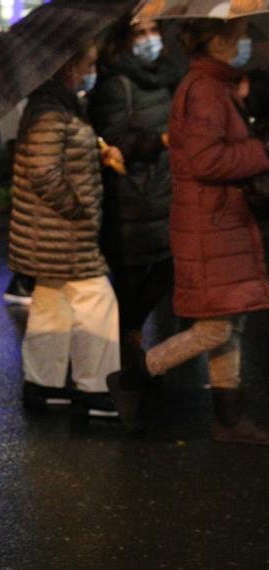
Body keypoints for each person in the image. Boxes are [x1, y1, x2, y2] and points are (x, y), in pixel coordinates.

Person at [109, 18, 269, 445]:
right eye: (239, 36)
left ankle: (229, 420)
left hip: (220, 220)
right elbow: (204, 160)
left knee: (229, 323)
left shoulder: (215, 85)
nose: (245, 43)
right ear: (216, 41)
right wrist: (259, 150)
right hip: (210, 222)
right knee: (215, 328)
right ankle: (131, 378)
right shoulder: (204, 89)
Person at [8, 42, 123, 416]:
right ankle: (97, 388)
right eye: (87, 64)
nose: (91, 71)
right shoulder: (50, 110)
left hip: (52, 233)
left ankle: (44, 385)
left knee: (52, 302)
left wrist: (96, 154)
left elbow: (57, 159)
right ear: (67, 66)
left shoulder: (57, 105)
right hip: (62, 232)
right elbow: (43, 171)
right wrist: (78, 209)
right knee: (97, 301)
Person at [90, 17, 180, 368]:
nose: (149, 39)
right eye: (140, 33)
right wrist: (157, 141)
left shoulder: (169, 76)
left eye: (153, 30)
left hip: (166, 190)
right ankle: (124, 354)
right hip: (131, 196)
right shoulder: (116, 84)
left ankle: (128, 340)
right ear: (124, 39)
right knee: (131, 280)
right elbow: (112, 139)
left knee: (169, 266)